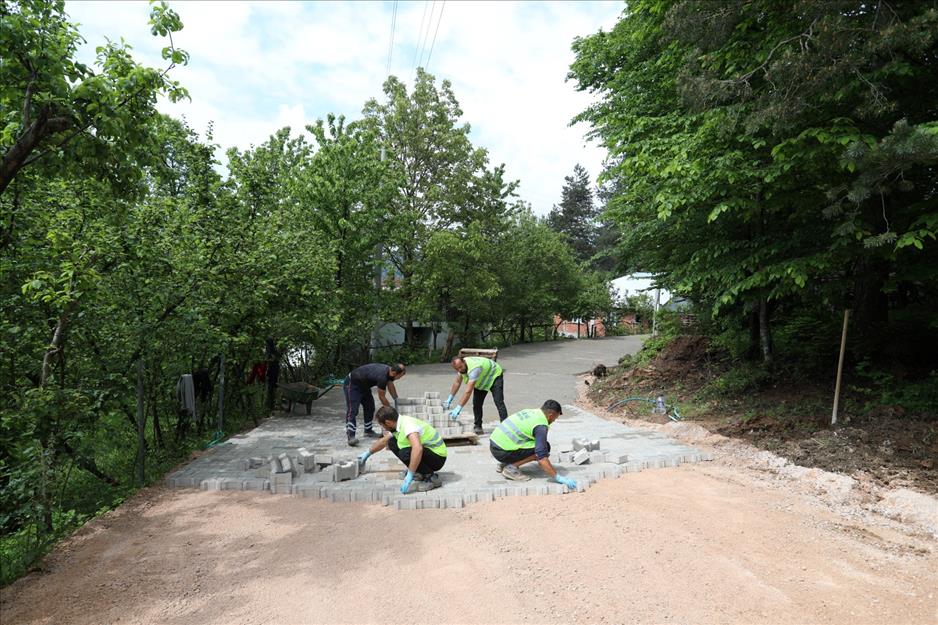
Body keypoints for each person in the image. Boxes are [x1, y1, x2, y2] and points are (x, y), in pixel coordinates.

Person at [488, 399, 577, 490]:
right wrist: (557, 477)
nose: (554, 420)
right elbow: (541, 457)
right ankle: (510, 468)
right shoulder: (541, 426)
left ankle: (505, 463)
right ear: (551, 415)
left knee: (539, 444)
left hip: (494, 445)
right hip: (502, 451)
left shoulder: (531, 412)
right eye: (555, 418)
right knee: (544, 448)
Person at [357, 406, 447, 493]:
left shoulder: (408, 426)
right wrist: (367, 453)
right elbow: (383, 441)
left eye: (382, 425)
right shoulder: (398, 424)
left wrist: (410, 474)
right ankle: (420, 471)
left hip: (438, 457)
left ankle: (431, 477)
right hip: (429, 452)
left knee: (405, 453)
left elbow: (418, 449)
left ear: (388, 423)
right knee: (392, 442)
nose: (383, 428)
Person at [344, 362, 406, 447]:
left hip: (364, 386)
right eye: (400, 376)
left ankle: (368, 431)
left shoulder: (390, 372)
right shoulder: (382, 377)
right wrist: (391, 412)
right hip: (352, 384)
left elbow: (390, 385)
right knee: (353, 410)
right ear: (394, 373)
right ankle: (351, 436)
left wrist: (396, 399)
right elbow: (382, 397)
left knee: (370, 407)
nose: (399, 378)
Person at [443, 356, 507, 435]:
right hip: (482, 379)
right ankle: (478, 426)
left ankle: (505, 427)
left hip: (494, 375)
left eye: (460, 367)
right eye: (457, 369)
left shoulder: (474, 369)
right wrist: (450, 398)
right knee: (477, 404)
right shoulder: (462, 367)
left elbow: (468, 391)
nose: (459, 370)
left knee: (499, 402)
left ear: (464, 362)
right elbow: (457, 382)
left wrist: (458, 407)